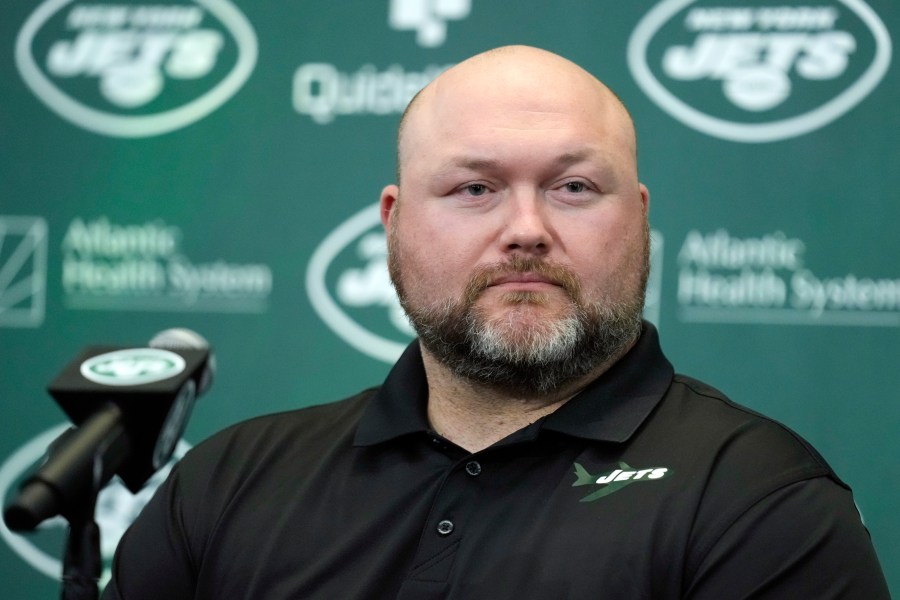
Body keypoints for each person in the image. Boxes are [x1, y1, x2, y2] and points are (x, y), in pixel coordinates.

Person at [102, 45, 890, 599]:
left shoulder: (760, 498)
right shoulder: (229, 482)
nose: (526, 228)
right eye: (475, 189)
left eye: (574, 187)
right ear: (395, 221)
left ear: (640, 219)